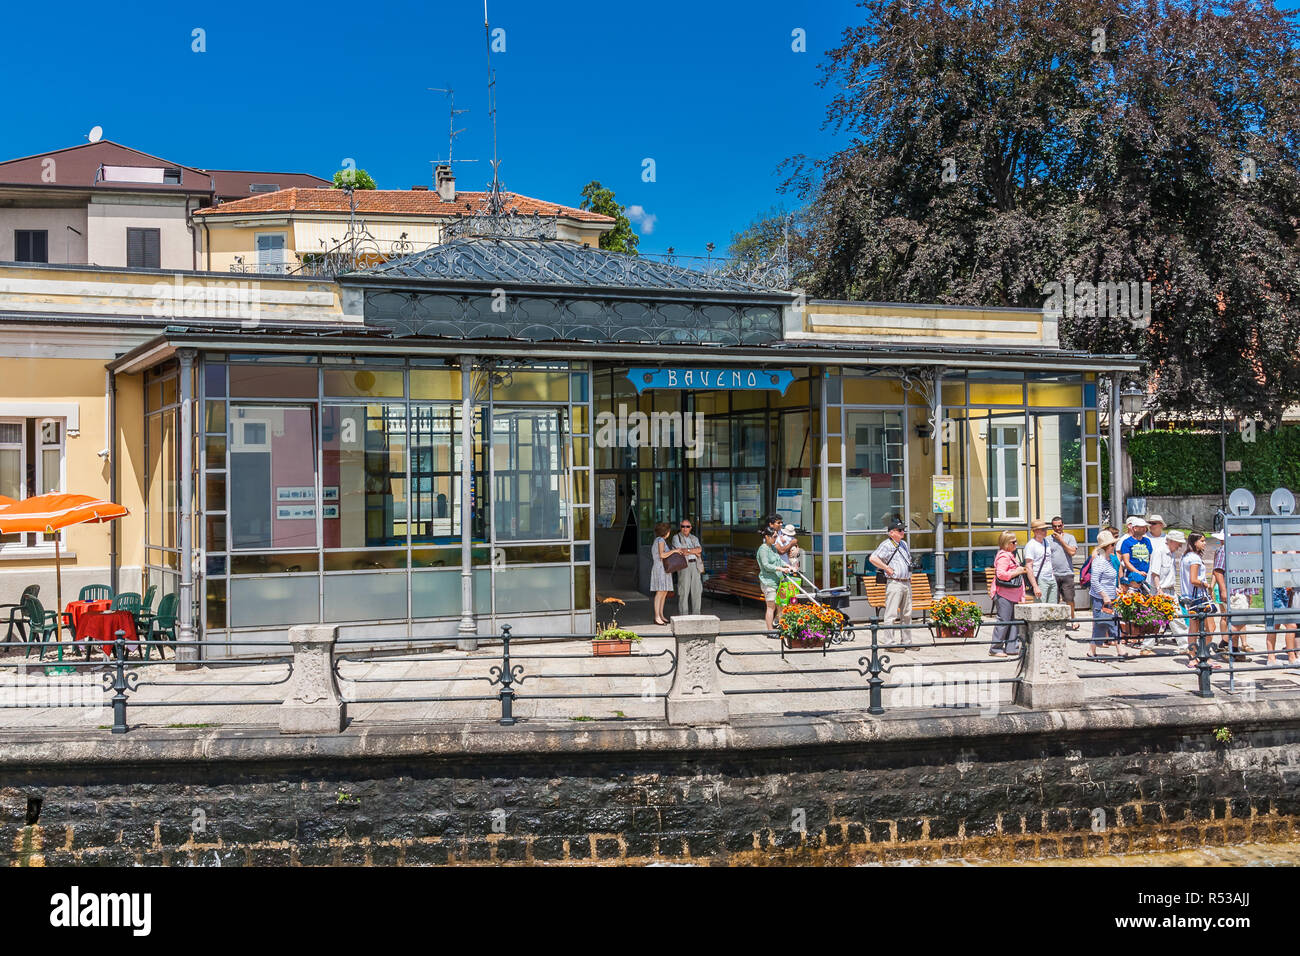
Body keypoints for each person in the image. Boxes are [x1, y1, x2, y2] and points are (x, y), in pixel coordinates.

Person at [869, 518, 914, 651]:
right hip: (894, 583)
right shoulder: (887, 544)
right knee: (891, 614)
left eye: (903, 530)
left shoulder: (903, 544)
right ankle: (889, 643)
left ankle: (907, 642)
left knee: (907, 614)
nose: (902, 532)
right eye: (899, 530)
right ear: (891, 532)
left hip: (906, 582)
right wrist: (886, 568)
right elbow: (873, 558)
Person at [1141, 528, 1186, 656]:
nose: (1180, 546)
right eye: (1178, 543)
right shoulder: (1159, 551)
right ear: (1171, 541)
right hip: (1160, 590)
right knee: (1155, 620)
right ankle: (1146, 646)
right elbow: (1155, 572)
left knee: (1177, 618)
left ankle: (1185, 645)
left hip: (1170, 590)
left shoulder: (1170, 553)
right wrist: (1159, 589)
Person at [1210, 530, 1250, 660]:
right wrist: (1223, 590)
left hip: (1243, 589)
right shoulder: (1224, 550)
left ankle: (1234, 650)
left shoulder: (1242, 549)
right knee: (1238, 619)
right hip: (1233, 590)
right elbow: (1218, 570)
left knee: (1239, 619)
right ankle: (1224, 644)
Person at [1180, 532, 1218, 669]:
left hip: (1189, 596)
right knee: (1210, 627)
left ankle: (1192, 656)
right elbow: (1194, 580)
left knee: (1193, 628)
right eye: (1202, 541)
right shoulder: (1195, 559)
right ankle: (1204, 655)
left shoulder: (1185, 557)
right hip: (1199, 597)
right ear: (1195, 542)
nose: (1204, 543)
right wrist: (1206, 585)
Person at [989, 531, 1029, 657]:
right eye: (1013, 542)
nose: (1016, 543)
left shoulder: (1009, 555)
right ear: (1007, 543)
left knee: (1013, 621)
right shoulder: (1004, 556)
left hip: (1012, 594)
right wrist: (1017, 572)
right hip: (1004, 594)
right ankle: (995, 648)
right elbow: (1001, 574)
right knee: (1004, 620)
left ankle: (1012, 647)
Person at [1088, 530, 1122, 658]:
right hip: (1101, 599)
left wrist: (1115, 590)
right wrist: (1104, 595)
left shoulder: (1108, 559)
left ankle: (1093, 651)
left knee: (1106, 624)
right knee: (1104, 624)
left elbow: (1108, 579)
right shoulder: (1099, 561)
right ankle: (1119, 650)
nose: (1114, 547)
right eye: (1112, 545)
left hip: (1110, 597)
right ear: (1107, 546)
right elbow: (1094, 581)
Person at [757, 527, 793, 631]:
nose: (776, 539)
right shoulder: (763, 549)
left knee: (781, 605)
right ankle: (770, 630)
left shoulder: (772, 547)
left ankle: (782, 627)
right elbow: (766, 565)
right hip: (768, 582)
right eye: (774, 537)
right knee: (771, 607)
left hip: (778, 581)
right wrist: (780, 568)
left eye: (776, 536)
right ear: (767, 537)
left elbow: (779, 560)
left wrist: (788, 566)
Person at [1049, 516, 1080, 629]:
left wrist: (1061, 540)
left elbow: (1072, 552)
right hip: (1053, 574)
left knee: (1069, 599)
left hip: (1067, 573)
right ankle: (1056, 621)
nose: (1057, 528)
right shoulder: (1048, 540)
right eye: (1055, 526)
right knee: (1054, 599)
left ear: (1063, 525)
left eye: (1059, 526)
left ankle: (1072, 619)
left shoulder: (1069, 537)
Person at [671, 518, 703, 617]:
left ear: (691, 528)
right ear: (680, 527)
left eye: (687, 526)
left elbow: (700, 550)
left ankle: (696, 614)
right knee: (683, 591)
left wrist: (688, 550)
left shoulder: (694, 538)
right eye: (683, 526)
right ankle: (683, 615)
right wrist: (693, 551)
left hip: (696, 565)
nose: (685, 528)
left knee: (697, 591)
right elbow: (681, 551)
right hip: (684, 566)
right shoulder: (676, 538)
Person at [649, 521, 678, 626]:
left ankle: (661, 615)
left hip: (662, 568)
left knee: (664, 592)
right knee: (660, 592)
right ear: (666, 532)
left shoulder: (659, 540)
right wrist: (674, 551)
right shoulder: (660, 540)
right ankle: (657, 616)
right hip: (661, 568)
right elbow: (662, 555)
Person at [1119, 516, 1153, 593]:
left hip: (1146, 577)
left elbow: (1150, 557)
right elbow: (1126, 562)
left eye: (1145, 527)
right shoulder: (1127, 542)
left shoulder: (1147, 541)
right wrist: (1138, 572)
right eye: (1141, 527)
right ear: (1135, 528)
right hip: (1133, 578)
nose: (1144, 529)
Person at [1023, 519, 1053, 603]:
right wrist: (1035, 586)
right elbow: (1029, 567)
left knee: (1053, 607)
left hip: (1051, 578)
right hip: (1040, 579)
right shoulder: (1031, 545)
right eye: (1043, 529)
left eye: (1046, 529)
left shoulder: (1046, 542)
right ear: (1035, 531)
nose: (1045, 531)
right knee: (1041, 608)